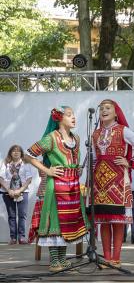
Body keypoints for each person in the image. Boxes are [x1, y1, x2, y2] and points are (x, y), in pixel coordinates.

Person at [26, 107, 89, 272]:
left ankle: (62, 259)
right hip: (57, 185)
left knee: (68, 223)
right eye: (69, 115)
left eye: (73, 114)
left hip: (73, 185)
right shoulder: (51, 138)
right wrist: (48, 170)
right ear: (59, 118)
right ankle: (54, 260)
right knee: (56, 221)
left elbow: (74, 158)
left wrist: (78, 169)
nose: (73, 117)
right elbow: (28, 155)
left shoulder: (76, 137)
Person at [93, 99, 134, 267]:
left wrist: (130, 162)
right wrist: (89, 180)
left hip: (118, 179)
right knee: (105, 220)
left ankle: (116, 258)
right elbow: (93, 158)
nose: (104, 110)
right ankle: (107, 257)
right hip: (99, 181)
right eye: (101, 108)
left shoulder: (123, 130)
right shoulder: (95, 133)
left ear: (116, 112)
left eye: (108, 108)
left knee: (117, 220)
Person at [0, 145, 33, 245]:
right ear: (10, 153)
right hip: (7, 192)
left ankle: (22, 238)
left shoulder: (26, 163)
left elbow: (29, 179)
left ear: (21, 153)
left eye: (18, 151)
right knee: (12, 216)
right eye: (13, 151)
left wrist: (20, 190)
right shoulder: (5, 164)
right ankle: (13, 238)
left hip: (23, 192)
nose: (16, 152)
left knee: (22, 215)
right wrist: (9, 190)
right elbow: (1, 178)